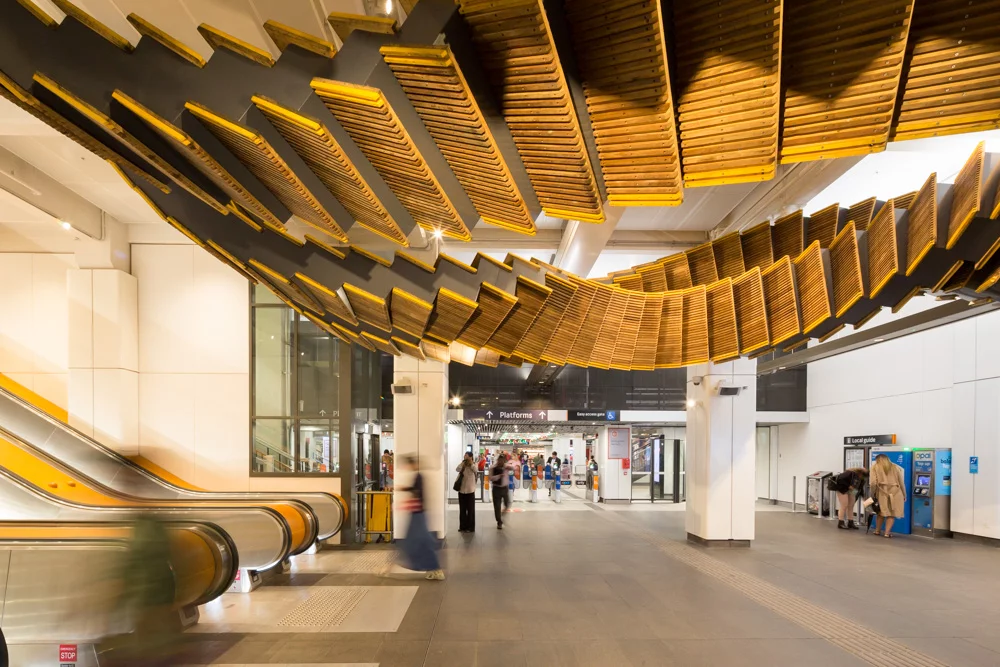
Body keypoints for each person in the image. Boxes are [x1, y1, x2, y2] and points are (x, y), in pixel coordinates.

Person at [398, 454, 445, 579]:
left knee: (421, 541)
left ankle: (435, 568)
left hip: (418, 514)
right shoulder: (418, 476)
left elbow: (416, 493)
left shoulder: (418, 476)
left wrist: (404, 490)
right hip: (417, 513)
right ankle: (431, 568)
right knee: (418, 541)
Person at [871, 454, 906, 538]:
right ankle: (887, 533)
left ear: (878, 460)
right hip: (896, 493)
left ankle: (877, 530)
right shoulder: (895, 467)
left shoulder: (875, 467)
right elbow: (901, 482)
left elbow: (873, 483)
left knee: (880, 512)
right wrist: (904, 494)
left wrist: (873, 493)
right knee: (891, 514)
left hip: (882, 492)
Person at [456, 452, 477, 533]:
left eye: (466, 455)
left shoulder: (474, 464)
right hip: (462, 490)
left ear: (471, 457)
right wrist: (462, 463)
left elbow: (475, 470)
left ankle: (470, 527)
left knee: (470, 510)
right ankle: (462, 526)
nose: (465, 456)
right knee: (462, 509)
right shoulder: (463, 464)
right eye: (464, 455)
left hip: (470, 491)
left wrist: (471, 463)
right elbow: (457, 469)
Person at [490, 452, 510, 529]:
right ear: (498, 460)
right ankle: (499, 521)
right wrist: (499, 476)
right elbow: (490, 478)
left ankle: (501, 515)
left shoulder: (506, 467)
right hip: (496, 489)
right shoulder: (493, 467)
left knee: (507, 504)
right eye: (500, 460)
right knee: (497, 506)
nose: (501, 461)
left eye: (503, 460)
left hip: (505, 488)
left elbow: (514, 468)